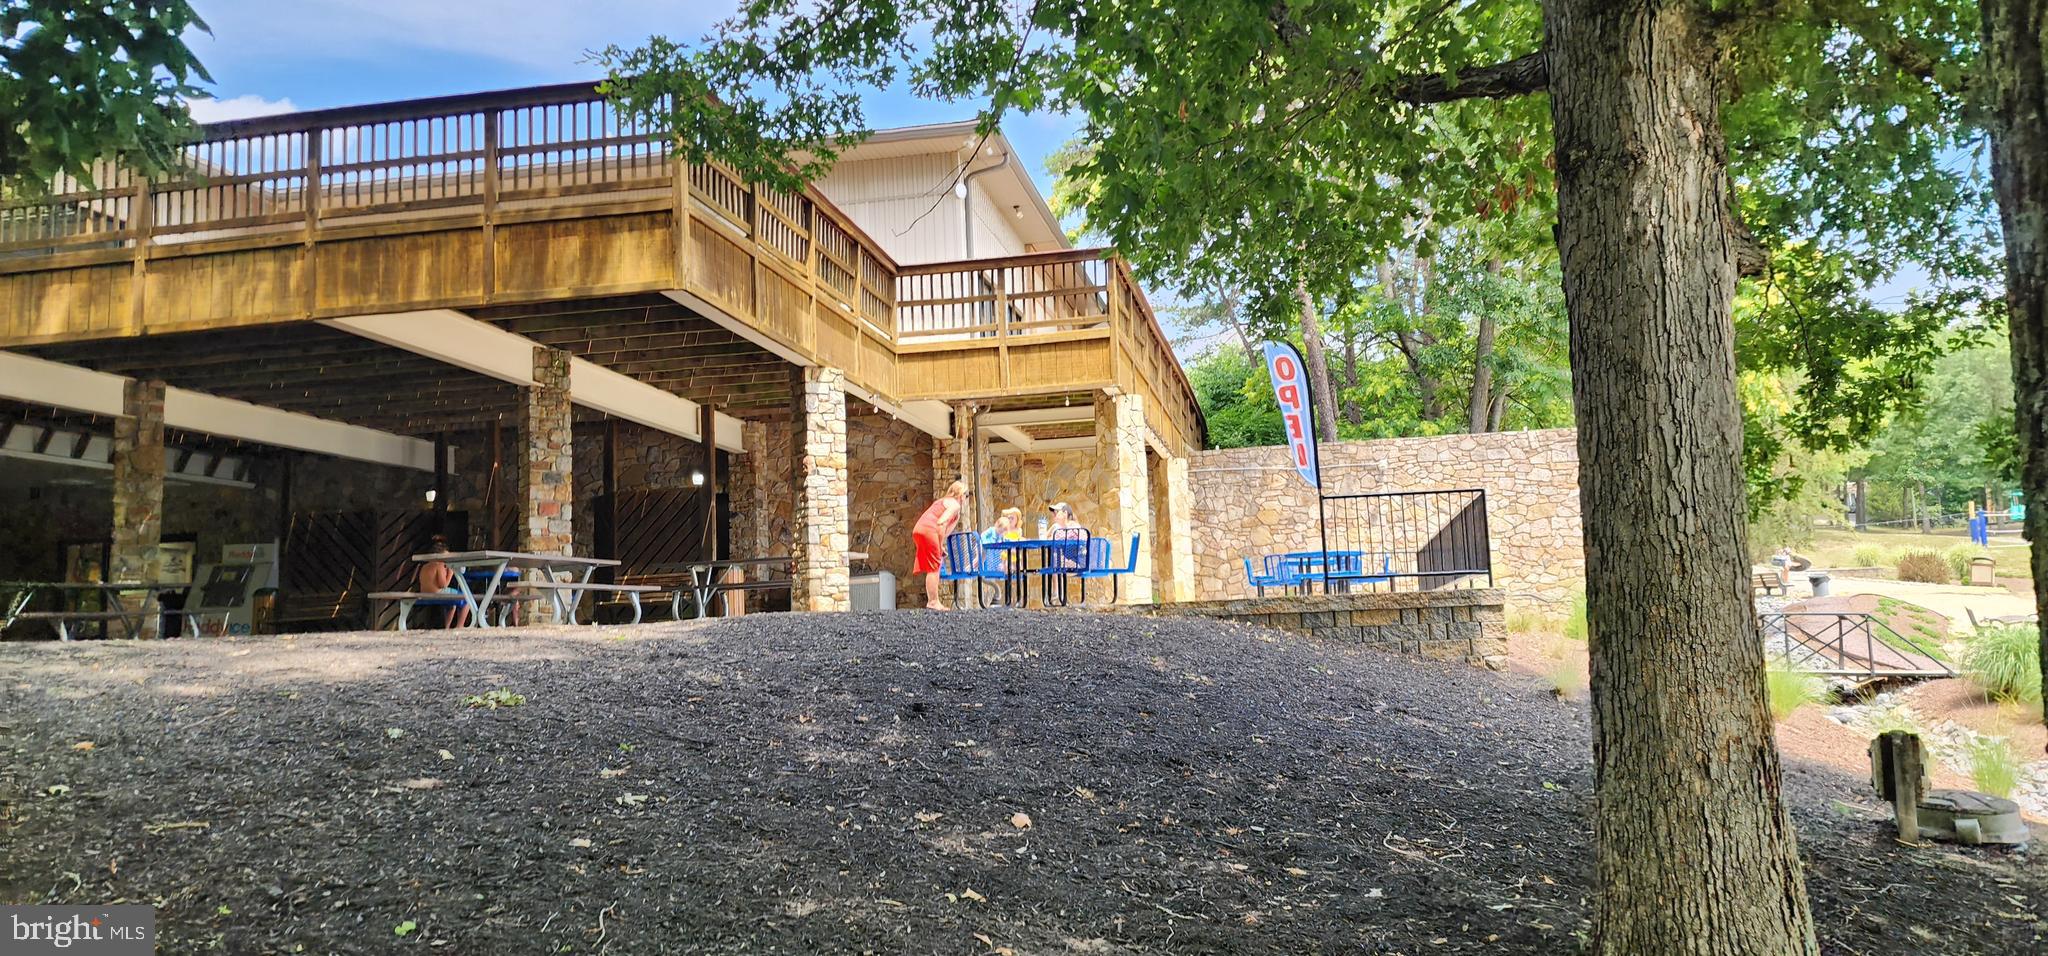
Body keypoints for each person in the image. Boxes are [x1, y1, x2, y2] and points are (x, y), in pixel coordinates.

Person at [913, 480, 970, 610]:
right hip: (929, 530)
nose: (966, 499)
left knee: (932, 565)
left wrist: (940, 545)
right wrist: (939, 545)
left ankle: (933, 601)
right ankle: (933, 602)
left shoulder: (942, 501)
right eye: (966, 495)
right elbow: (942, 523)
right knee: (934, 566)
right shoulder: (955, 505)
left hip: (919, 530)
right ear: (961, 495)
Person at [416, 534, 471, 628]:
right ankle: (459, 626)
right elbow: (443, 585)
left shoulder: (425, 566)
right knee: (467, 598)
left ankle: (447, 626)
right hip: (437, 593)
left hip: (424, 593)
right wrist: (450, 573)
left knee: (452, 603)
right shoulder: (439, 565)